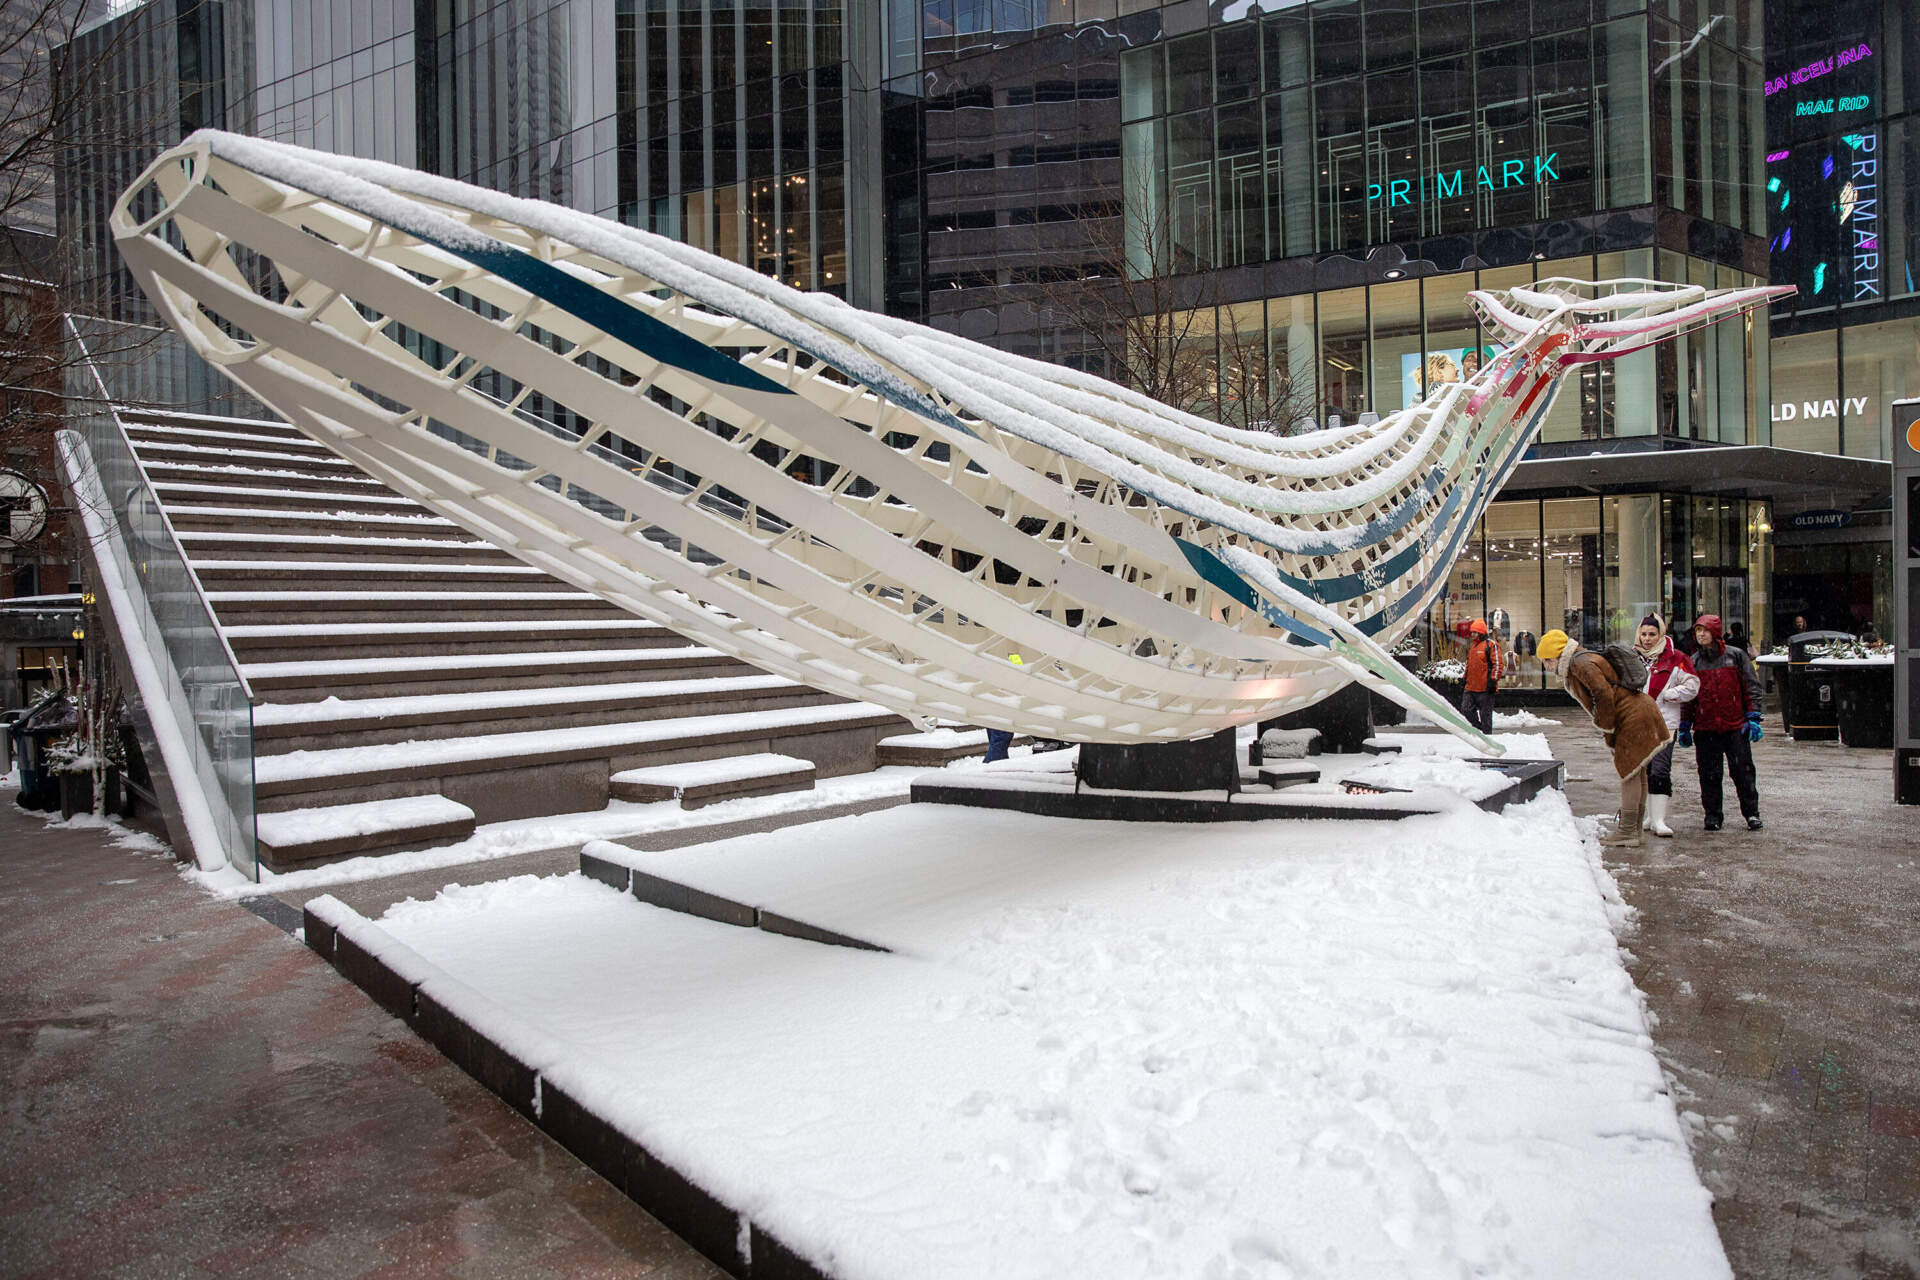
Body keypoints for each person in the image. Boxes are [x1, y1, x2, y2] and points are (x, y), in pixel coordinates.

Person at [1538, 628, 1671, 848]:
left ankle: (1628, 831)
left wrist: (1607, 727)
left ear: (1556, 655)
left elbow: (1603, 694)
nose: (1547, 667)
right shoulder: (1582, 659)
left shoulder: (1580, 664)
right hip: (1639, 710)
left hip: (1632, 715)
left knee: (1629, 771)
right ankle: (1634, 829)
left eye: (1546, 661)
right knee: (1638, 771)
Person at [1679, 614, 1764, 832]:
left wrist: (1753, 717)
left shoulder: (1736, 657)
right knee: (1709, 774)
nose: (1701, 635)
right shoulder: (1694, 662)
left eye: (1705, 630)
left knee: (1743, 772)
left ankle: (1752, 813)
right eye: (1698, 631)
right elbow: (1689, 697)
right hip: (1706, 728)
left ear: (1715, 632)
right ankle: (1712, 815)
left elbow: (1751, 687)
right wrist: (1685, 724)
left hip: (1735, 727)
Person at [1632, 613, 1698, 838]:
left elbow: (1693, 684)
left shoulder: (1676, 657)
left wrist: (1671, 695)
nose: (1647, 639)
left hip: (1664, 724)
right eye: (1644, 634)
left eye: (1652, 634)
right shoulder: (1632, 658)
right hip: (1637, 725)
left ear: (1661, 635)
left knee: (1660, 769)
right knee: (1644, 771)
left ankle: (1659, 819)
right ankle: (1649, 816)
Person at [1460, 618, 1502, 733]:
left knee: (1485, 716)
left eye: (1475, 632)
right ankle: (1479, 730)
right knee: (1466, 710)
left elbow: (1498, 664)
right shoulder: (1473, 646)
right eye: (1472, 632)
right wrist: (1465, 678)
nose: (1472, 635)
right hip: (1471, 687)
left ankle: (1487, 738)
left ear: (1481, 632)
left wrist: (1492, 681)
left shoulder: (1491, 645)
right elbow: (1470, 664)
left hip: (1485, 688)